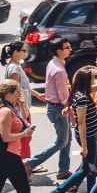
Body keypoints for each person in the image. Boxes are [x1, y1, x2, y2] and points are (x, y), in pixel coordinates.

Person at [0, 42, 48, 178]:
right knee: (22, 139)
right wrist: (23, 109)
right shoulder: (14, 69)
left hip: (17, 107)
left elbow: (23, 87)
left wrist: (37, 95)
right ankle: (25, 168)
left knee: (12, 140)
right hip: (18, 109)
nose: (25, 54)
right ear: (15, 52)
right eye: (23, 51)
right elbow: (15, 90)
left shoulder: (15, 66)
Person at [48, 67, 97, 193]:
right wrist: (84, 146)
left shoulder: (80, 93)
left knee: (91, 165)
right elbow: (82, 123)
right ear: (86, 82)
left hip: (89, 134)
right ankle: (57, 192)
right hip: (87, 136)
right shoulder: (83, 98)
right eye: (91, 79)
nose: (93, 81)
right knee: (87, 168)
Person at [25, 38, 73, 179]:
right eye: (67, 47)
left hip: (53, 107)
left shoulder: (53, 63)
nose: (70, 49)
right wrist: (71, 112)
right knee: (61, 141)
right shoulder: (59, 70)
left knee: (66, 139)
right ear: (59, 51)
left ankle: (63, 170)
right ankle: (30, 163)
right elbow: (63, 96)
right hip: (58, 109)